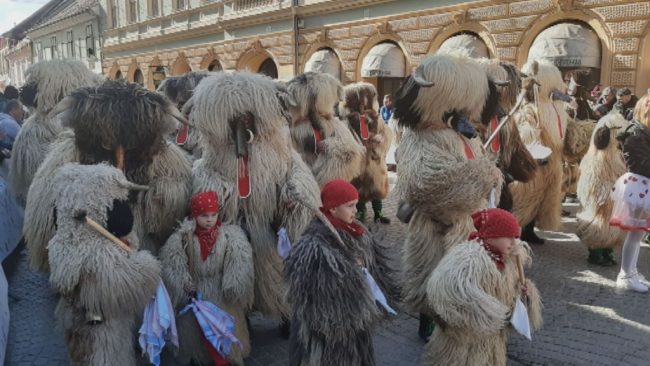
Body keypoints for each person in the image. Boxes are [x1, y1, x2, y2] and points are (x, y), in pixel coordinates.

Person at [285, 179, 397, 366]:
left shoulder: (358, 232)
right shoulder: (312, 247)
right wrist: (352, 271)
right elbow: (319, 296)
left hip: (356, 329)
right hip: (327, 335)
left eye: (355, 204)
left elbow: (375, 271)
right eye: (350, 205)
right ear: (333, 208)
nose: (355, 210)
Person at [425, 208, 542, 366]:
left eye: (516, 236)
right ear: (491, 236)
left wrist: (523, 296)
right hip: (463, 342)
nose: (514, 242)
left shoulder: (510, 261)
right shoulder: (469, 260)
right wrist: (485, 313)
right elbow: (451, 293)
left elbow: (511, 296)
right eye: (508, 236)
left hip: (491, 340)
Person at [160, 191, 254, 365]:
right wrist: (184, 285)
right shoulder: (182, 238)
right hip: (196, 297)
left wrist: (234, 282)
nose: (210, 219)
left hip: (222, 296)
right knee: (196, 337)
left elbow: (239, 258)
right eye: (204, 215)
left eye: (213, 215)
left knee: (225, 334)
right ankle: (199, 357)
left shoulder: (229, 236)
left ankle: (228, 357)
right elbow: (173, 263)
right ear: (195, 215)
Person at [609, 114, 650, 292]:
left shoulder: (641, 132)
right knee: (634, 235)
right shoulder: (635, 134)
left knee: (638, 235)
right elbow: (642, 163)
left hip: (642, 185)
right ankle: (625, 275)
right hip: (639, 186)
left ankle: (631, 271)